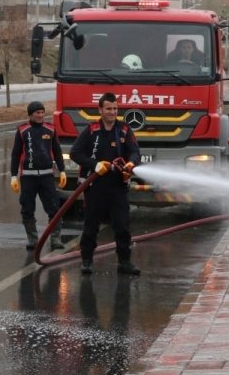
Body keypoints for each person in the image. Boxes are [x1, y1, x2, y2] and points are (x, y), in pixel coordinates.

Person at [70, 92, 142, 275]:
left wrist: (132, 163)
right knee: (91, 225)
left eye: (115, 108)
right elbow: (75, 153)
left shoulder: (124, 130)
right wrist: (95, 165)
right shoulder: (91, 130)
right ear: (100, 110)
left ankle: (124, 262)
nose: (112, 112)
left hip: (118, 186)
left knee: (122, 226)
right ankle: (86, 261)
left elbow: (135, 152)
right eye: (108, 108)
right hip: (95, 186)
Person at [10, 101, 66, 250]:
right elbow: (15, 154)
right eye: (37, 113)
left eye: (42, 112)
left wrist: (62, 171)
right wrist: (13, 176)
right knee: (27, 208)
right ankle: (33, 239)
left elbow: (57, 151)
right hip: (27, 177)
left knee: (54, 208)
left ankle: (55, 239)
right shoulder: (22, 130)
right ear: (31, 114)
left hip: (47, 176)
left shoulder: (50, 129)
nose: (40, 115)